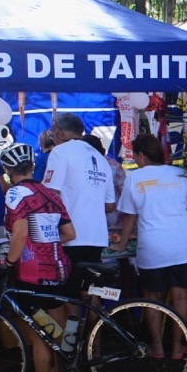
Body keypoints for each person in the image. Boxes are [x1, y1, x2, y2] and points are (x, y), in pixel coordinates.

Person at [111, 134, 187, 360]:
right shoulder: (179, 173)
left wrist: (121, 244)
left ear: (142, 155)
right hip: (185, 245)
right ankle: (178, 347)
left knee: (153, 298)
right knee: (180, 297)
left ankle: (158, 347)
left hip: (154, 247)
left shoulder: (134, 178)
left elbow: (129, 218)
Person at [0, 143, 75, 372]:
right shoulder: (52, 193)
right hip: (60, 268)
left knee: (39, 334)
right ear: (32, 166)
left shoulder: (15, 194)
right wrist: (47, 242)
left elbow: (19, 234)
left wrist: (9, 262)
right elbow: (70, 234)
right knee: (57, 329)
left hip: (33, 274)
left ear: (8, 170)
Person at [44, 113, 116, 293]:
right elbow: (109, 206)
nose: (52, 136)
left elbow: (49, 195)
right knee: (91, 291)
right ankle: (98, 322)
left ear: (59, 132)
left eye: (53, 132)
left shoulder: (60, 151)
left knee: (68, 294)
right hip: (98, 236)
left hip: (71, 235)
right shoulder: (101, 159)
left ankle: (73, 323)